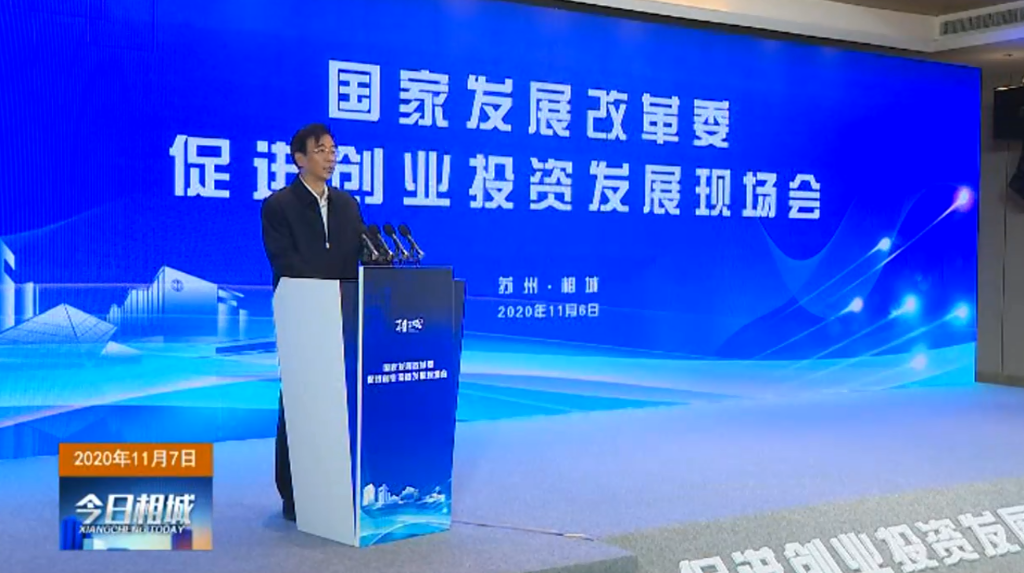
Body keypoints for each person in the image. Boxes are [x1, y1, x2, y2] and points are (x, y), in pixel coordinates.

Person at [260, 123, 366, 521]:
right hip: (301, 316)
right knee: (299, 402)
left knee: (338, 403)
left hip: (343, 318)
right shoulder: (279, 206)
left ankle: (334, 486)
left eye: (333, 150)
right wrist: (323, 292)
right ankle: (293, 492)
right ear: (300, 158)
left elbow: (358, 257)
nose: (330, 157)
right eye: (321, 150)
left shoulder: (348, 205)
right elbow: (284, 261)